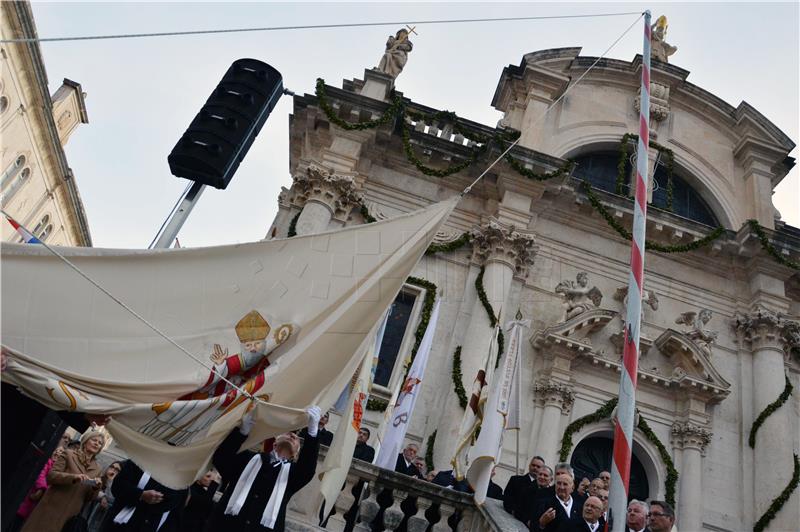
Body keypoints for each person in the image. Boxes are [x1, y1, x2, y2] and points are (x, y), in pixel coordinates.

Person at [209, 406, 321, 532]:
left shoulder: (292, 475)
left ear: (295, 455)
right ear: (274, 444)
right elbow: (221, 459)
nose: (292, 436)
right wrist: (242, 432)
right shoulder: (249, 459)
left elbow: (307, 468)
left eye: (296, 440)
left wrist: (312, 434)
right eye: (287, 433)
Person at [22, 429, 105, 532]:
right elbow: (51, 476)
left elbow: (88, 498)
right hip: (51, 507)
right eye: (94, 440)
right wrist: (73, 478)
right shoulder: (69, 454)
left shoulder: (98, 469)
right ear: (86, 440)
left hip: (70, 515)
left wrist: (95, 487)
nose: (97, 444)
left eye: (100, 443)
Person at [101, 460, 188, 532]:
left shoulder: (179, 477)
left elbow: (172, 503)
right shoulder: (137, 461)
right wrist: (141, 495)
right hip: (119, 522)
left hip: (146, 524)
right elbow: (118, 486)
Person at [13, 446, 64, 530]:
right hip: (31, 496)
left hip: (39, 504)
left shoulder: (57, 470)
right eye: (57, 450)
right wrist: (42, 488)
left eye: (61, 452)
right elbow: (41, 474)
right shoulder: (47, 462)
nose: (58, 453)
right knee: (17, 519)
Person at [86, 461, 122, 532]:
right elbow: (91, 490)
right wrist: (103, 497)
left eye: (117, 469)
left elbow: (112, 498)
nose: (113, 470)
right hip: (89, 511)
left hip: (103, 518)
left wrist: (110, 481)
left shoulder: (117, 486)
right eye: (112, 467)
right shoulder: (99, 477)